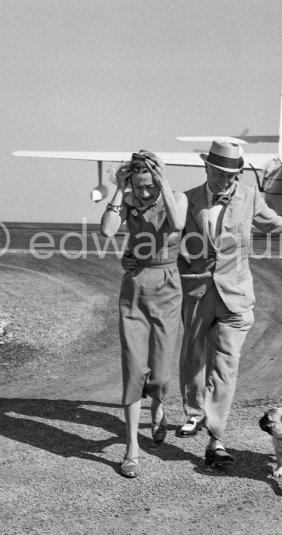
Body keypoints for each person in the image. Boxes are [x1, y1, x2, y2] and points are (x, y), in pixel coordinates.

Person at [176, 140, 282, 466]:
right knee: (192, 358)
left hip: (235, 298)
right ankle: (194, 412)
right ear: (207, 168)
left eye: (232, 174)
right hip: (198, 293)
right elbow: (166, 238)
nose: (226, 180)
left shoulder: (249, 196)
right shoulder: (188, 199)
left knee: (225, 368)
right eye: (220, 173)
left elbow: (278, 224)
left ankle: (216, 438)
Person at [101, 150, 187, 478]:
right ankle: (132, 449)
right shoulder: (128, 199)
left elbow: (178, 223)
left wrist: (162, 180)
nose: (145, 192)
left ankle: (159, 406)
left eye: (149, 185)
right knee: (134, 371)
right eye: (138, 186)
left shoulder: (174, 197)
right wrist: (118, 190)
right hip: (134, 288)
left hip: (167, 286)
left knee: (161, 376)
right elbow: (108, 230)